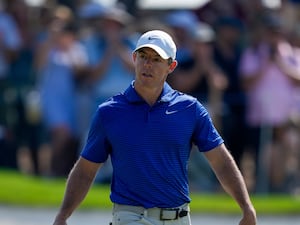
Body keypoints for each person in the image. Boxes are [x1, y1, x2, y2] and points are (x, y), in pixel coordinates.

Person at [52, 30, 256, 225]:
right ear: (134, 59)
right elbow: (85, 170)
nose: (147, 64)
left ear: (171, 66)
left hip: (179, 217)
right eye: (143, 56)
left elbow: (220, 161)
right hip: (131, 217)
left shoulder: (190, 109)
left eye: (156, 59)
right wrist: (63, 214)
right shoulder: (110, 112)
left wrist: (246, 206)